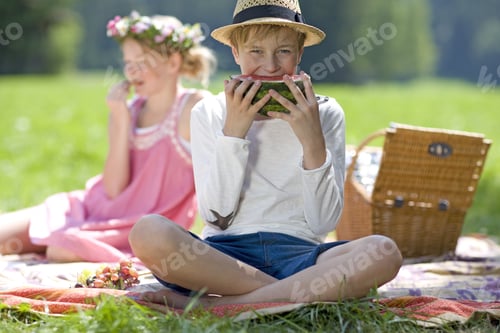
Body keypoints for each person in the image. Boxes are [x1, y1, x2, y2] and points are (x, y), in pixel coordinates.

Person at [129, 0, 402, 308]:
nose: (270, 66)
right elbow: (216, 217)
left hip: (301, 256)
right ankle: (287, 296)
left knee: (384, 251)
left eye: (283, 51)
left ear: (299, 53)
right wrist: (234, 133)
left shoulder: (325, 113)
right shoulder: (211, 111)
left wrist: (312, 140)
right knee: (148, 232)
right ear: (235, 51)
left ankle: (219, 307)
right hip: (224, 260)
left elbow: (322, 223)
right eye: (256, 51)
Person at [0, 11, 216, 262]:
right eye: (127, 62)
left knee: (61, 249)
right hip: (91, 208)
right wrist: (121, 119)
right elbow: (113, 188)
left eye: (143, 61)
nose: (132, 71)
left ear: (173, 62)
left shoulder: (194, 107)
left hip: (135, 229)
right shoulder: (128, 109)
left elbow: (218, 179)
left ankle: (56, 241)